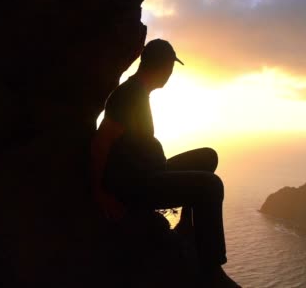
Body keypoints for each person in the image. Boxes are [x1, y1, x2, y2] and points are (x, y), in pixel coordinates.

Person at [90, 39, 240, 288]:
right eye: (170, 68)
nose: (170, 75)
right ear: (161, 67)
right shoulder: (128, 96)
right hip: (138, 185)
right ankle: (210, 267)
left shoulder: (138, 92)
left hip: (150, 172)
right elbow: (100, 143)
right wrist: (100, 193)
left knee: (207, 157)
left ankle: (187, 227)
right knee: (210, 185)